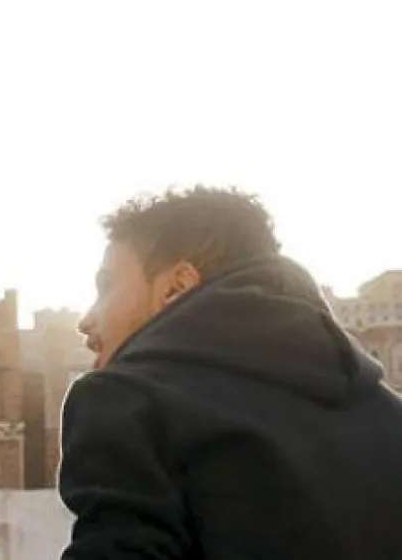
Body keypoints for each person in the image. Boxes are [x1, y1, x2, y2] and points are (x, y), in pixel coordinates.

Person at [61, 186, 402, 560]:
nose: (86, 320)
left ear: (175, 287)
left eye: (106, 286)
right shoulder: (388, 416)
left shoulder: (129, 403)